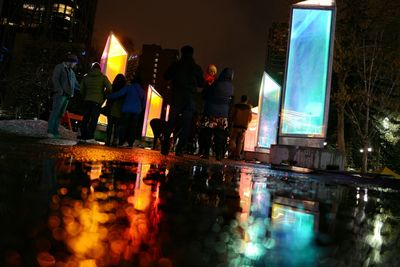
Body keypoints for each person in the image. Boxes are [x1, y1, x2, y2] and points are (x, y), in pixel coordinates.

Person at [161, 45, 204, 156]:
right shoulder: (196, 67)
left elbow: (166, 76)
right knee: (186, 124)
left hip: (176, 96)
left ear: (182, 53)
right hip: (190, 98)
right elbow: (201, 83)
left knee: (171, 121)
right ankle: (180, 149)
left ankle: (165, 147)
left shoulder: (176, 65)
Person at [199, 67, 234, 161]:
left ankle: (205, 154)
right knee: (219, 136)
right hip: (223, 115)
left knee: (207, 134)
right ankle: (218, 155)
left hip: (210, 112)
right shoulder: (231, 87)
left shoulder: (216, 84)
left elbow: (205, 95)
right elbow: (230, 102)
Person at [107, 76, 146, 148]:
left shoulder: (129, 87)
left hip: (127, 109)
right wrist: (140, 109)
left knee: (124, 125)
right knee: (133, 127)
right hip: (136, 111)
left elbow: (119, 94)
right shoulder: (142, 91)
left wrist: (109, 96)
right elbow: (144, 103)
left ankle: (122, 142)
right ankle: (130, 143)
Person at [47, 54, 79, 138]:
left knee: (60, 114)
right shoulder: (60, 67)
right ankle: (50, 131)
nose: (75, 65)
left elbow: (76, 84)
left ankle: (55, 131)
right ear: (71, 62)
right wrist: (59, 90)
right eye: (75, 63)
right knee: (55, 112)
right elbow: (55, 78)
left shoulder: (71, 72)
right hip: (60, 95)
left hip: (67, 96)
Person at [79, 62, 112, 143]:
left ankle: (83, 136)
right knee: (94, 119)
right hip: (97, 101)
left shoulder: (86, 77)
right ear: (99, 69)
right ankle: (90, 137)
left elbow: (81, 89)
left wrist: (85, 96)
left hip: (87, 100)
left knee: (85, 118)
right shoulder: (102, 77)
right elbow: (110, 88)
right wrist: (103, 96)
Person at [197, 64, 218, 156]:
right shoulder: (205, 80)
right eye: (210, 71)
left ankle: (205, 151)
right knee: (202, 130)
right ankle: (201, 150)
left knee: (207, 131)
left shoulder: (216, 82)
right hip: (205, 107)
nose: (212, 72)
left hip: (210, 108)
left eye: (213, 71)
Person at [228, 95, 252, 160]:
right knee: (240, 142)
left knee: (233, 140)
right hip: (243, 127)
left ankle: (232, 153)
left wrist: (231, 122)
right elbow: (250, 118)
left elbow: (232, 115)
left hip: (236, 126)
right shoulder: (249, 108)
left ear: (241, 99)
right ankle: (237, 156)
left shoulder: (236, 106)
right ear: (246, 100)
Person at [106, 74, 127, 146]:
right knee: (117, 127)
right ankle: (115, 141)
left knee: (110, 125)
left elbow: (107, 96)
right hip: (119, 110)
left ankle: (107, 140)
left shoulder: (112, 86)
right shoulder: (124, 89)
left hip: (111, 109)